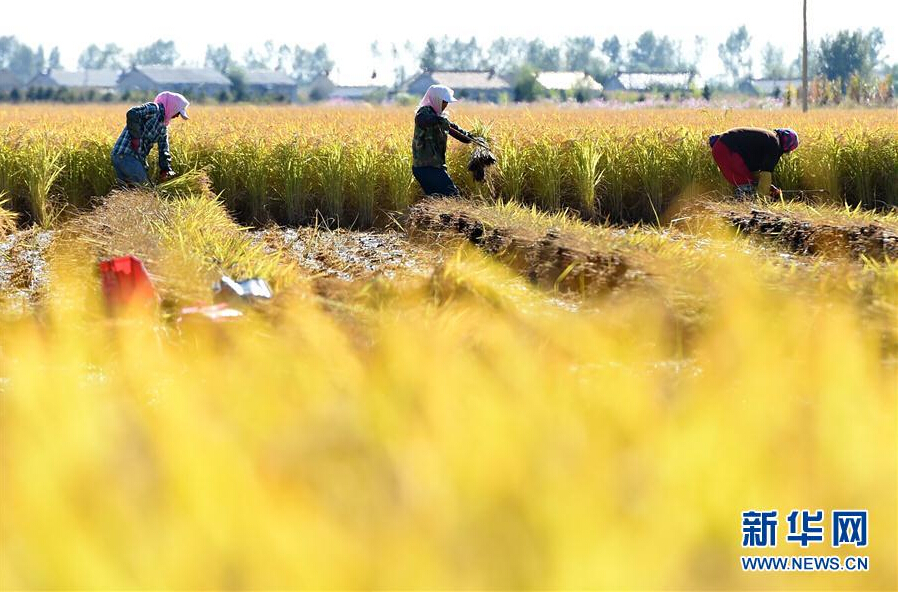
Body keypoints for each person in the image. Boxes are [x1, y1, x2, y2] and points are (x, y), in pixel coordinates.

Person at [111, 91, 189, 186]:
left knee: (130, 191)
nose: (177, 116)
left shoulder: (163, 127)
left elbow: (164, 149)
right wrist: (136, 137)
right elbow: (132, 113)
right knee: (145, 189)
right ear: (172, 107)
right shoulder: (153, 109)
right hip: (125, 155)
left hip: (134, 159)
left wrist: (166, 169)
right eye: (177, 112)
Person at [411, 84, 477, 197]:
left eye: (446, 102)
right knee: (453, 196)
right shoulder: (424, 112)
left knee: (438, 198)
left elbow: (457, 131)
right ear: (436, 99)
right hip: (427, 167)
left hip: (431, 167)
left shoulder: (440, 118)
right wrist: (440, 120)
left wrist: (474, 139)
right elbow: (422, 120)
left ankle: (433, 215)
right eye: (444, 101)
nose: (445, 105)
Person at [708, 127, 799, 199]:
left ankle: (740, 205)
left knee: (747, 182)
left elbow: (754, 172)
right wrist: (763, 198)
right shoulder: (774, 144)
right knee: (746, 187)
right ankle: (741, 207)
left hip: (721, 147)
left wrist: (767, 187)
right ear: (787, 146)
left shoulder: (768, 139)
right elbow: (766, 173)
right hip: (727, 149)